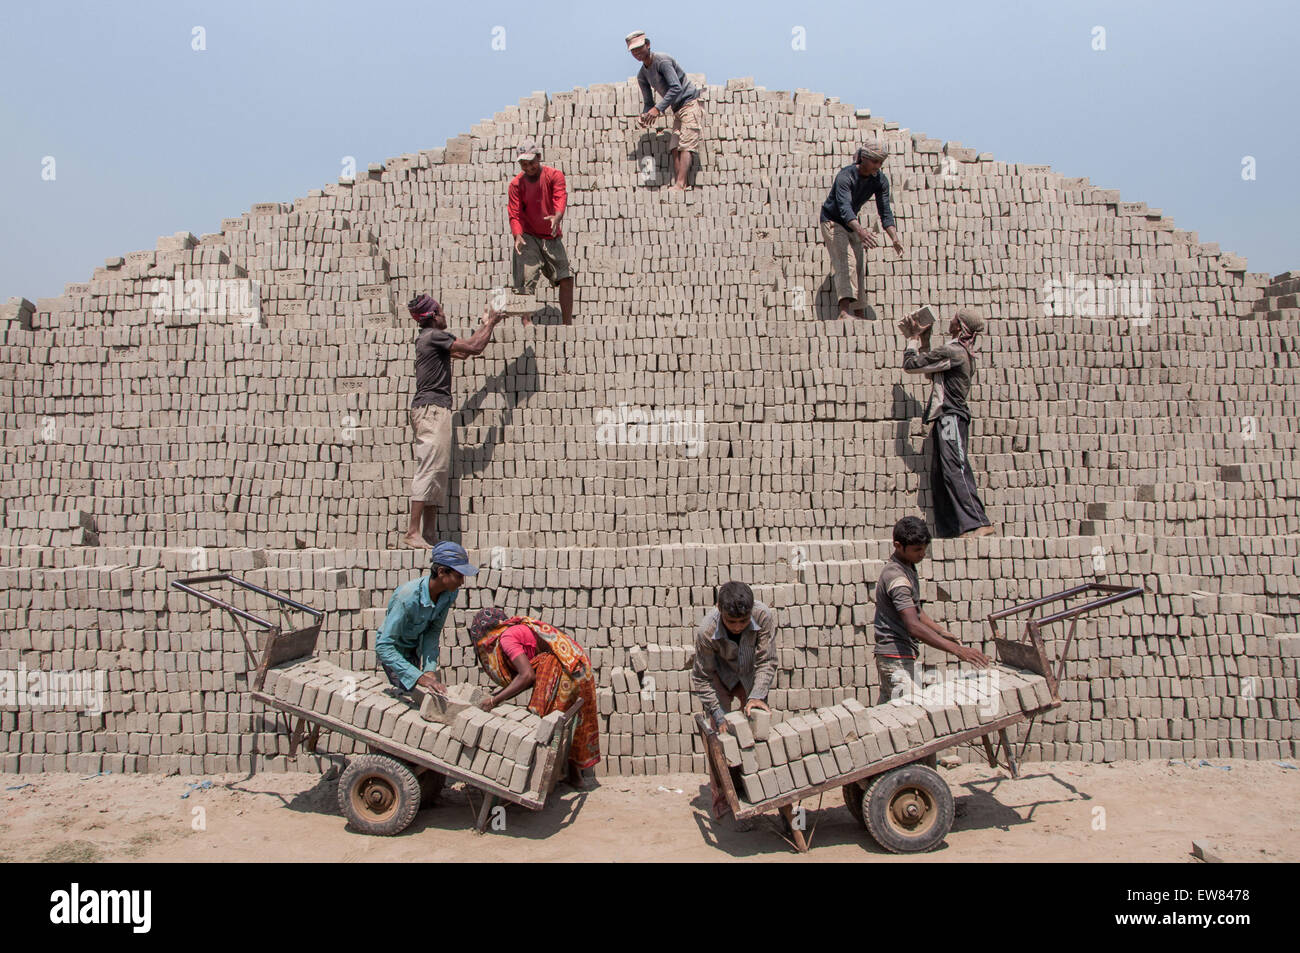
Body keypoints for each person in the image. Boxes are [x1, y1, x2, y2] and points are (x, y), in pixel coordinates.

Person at [401, 293, 505, 549]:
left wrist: (484, 325)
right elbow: (475, 347)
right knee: (429, 466)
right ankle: (412, 532)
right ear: (434, 316)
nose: (446, 315)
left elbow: (465, 352)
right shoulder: (433, 336)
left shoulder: (431, 340)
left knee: (438, 471)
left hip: (437, 410)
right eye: (442, 311)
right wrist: (491, 323)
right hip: (431, 410)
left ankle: (429, 533)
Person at [466, 607, 601, 784]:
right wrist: (498, 697)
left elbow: (527, 676)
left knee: (546, 724)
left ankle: (540, 779)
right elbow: (528, 679)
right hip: (578, 665)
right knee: (568, 723)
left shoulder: (507, 639)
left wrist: (494, 700)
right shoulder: (514, 630)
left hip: (565, 670)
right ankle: (574, 777)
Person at [872, 517, 990, 706]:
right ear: (898, 545)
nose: (922, 554)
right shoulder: (896, 577)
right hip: (895, 658)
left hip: (900, 656)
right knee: (911, 711)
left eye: (924, 548)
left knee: (888, 715)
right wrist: (958, 651)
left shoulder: (908, 567)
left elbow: (916, 612)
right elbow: (913, 625)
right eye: (917, 550)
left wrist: (941, 631)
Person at [900, 308, 995, 539]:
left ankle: (979, 522)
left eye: (954, 318)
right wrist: (925, 340)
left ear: (960, 326)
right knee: (940, 474)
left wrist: (913, 339)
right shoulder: (958, 352)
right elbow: (930, 370)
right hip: (945, 418)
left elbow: (912, 366)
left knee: (955, 467)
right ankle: (953, 529)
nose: (950, 320)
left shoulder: (954, 351)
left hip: (951, 416)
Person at [374, 542, 479, 693]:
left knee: (426, 693)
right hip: (393, 651)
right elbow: (384, 646)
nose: (462, 582)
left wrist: (429, 669)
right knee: (410, 694)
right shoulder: (407, 598)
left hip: (414, 648)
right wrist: (420, 677)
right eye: (458, 576)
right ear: (442, 572)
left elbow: (433, 632)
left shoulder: (449, 593)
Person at [819, 141, 905, 321]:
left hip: (852, 223)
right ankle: (844, 312)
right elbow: (844, 208)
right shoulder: (846, 176)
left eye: (881, 163)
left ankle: (858, 311)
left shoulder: (880, 180)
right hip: (833, 221)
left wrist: (894, 237)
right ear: (864, 159)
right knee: (846, 260)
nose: (878, 166)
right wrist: (861, 231)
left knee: (858, 264)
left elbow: (885, 211)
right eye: (875, 162)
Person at [627, 30, 704, 191]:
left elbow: (676, 87)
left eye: (639, 48)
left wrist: (657, 109)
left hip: (690, 103)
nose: (637, 53)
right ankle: (680, 184)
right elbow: (649, 102)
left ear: (647, 45)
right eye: (633, 51)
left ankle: (680, 184)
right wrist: (646, 114)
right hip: (677, 109)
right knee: (674, 146)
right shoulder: (642, 75)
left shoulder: (662, 61)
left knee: (686, 144)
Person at [508, 143, 575, 325]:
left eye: (531, 162)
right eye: (524, 164)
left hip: (551, 235)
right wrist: (517, 234)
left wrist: (557, 217)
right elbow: (514, 213)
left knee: (566, 276)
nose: (528, 168)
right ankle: (526, 324)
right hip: (528, 235)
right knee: (526, 278)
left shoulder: (554, 176)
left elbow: (560, 197)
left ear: (538, 158)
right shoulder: (516, 185)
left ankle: (567, 324)